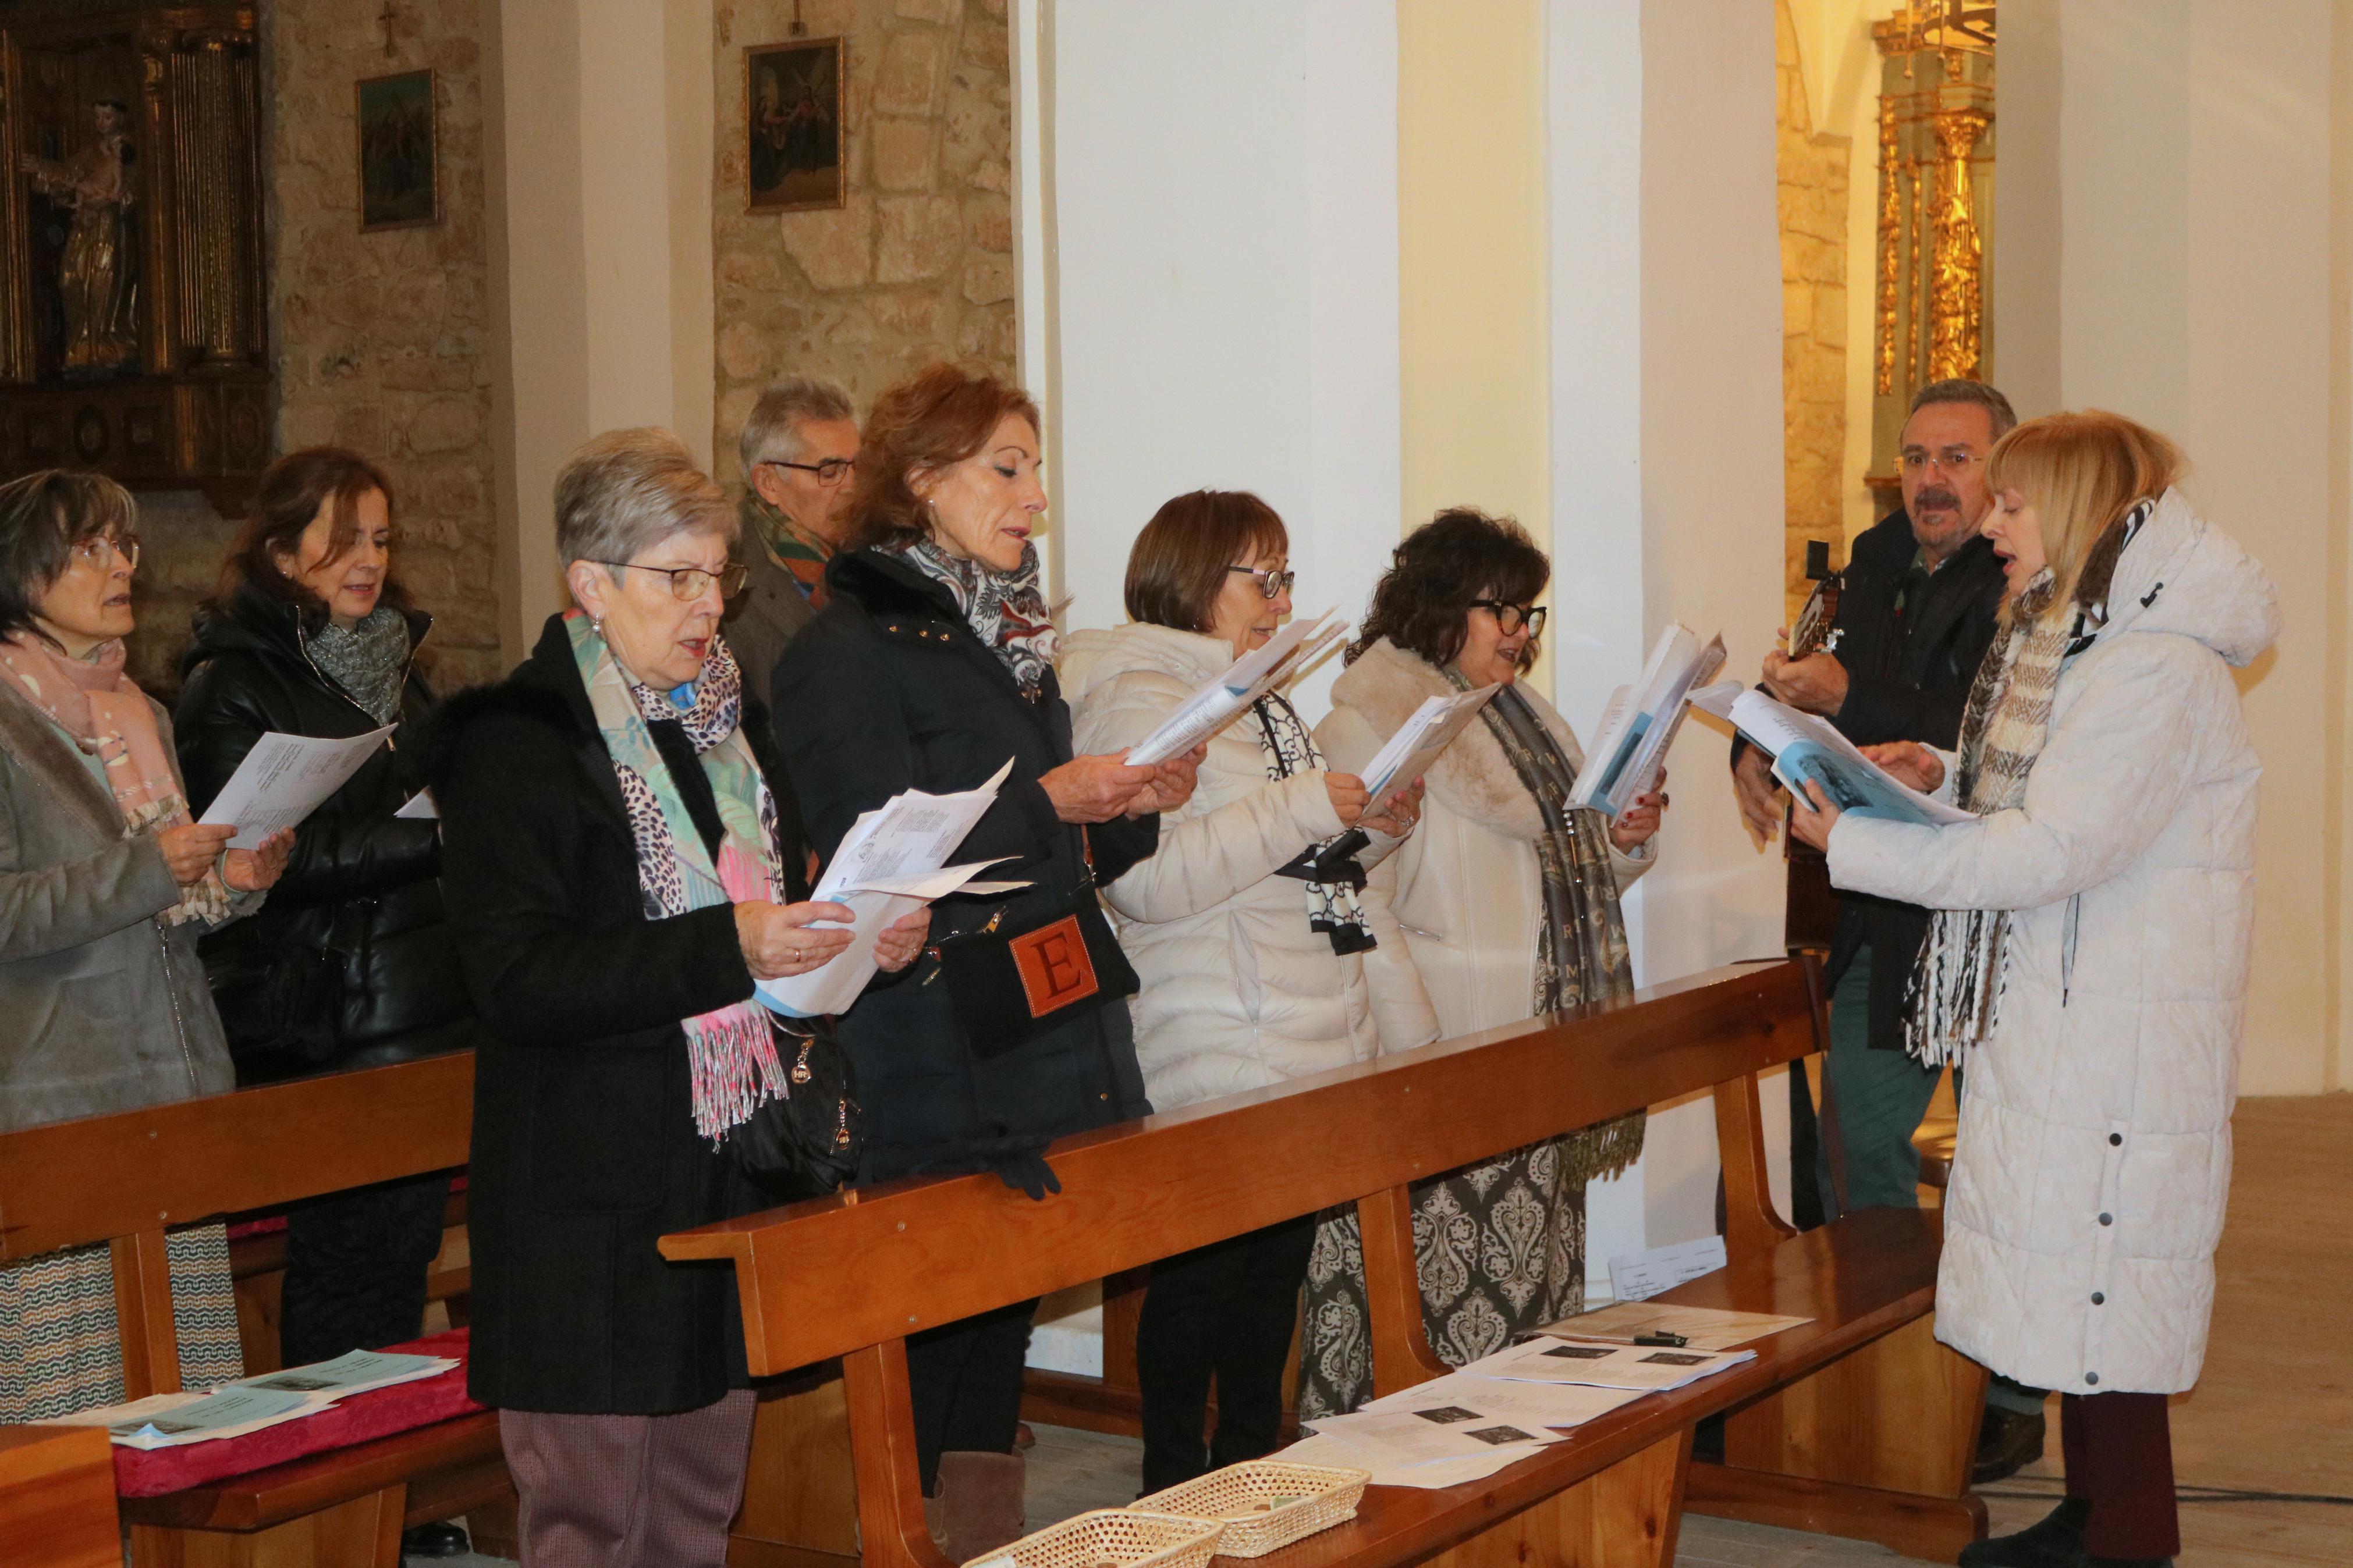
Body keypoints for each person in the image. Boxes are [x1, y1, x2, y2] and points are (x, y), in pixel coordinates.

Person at [423, 429, 927, 1568]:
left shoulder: (725, 734)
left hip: (725, 1162)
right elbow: (515, 982)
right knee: (595, 1524)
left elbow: (775, 918)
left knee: (697, 1510)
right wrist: (733, 944)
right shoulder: (516, 744)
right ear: (590, 584)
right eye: (676, 577)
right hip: (585, 1194)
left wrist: (856, 937)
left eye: (717, 577)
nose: (708, 605)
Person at [1790, 411, 2274, 1568]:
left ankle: (2122, 1536)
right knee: (2082, 1270)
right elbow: (2047, 795)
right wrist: (1936, 771)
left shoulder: (2148, 666)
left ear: (2067, 508)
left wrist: (1851, 843)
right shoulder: (2091, 637)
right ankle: (2103, 1511)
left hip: (2115, 1013)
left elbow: (2048, 849)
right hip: (2074, 994)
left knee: (2103, 1266)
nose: (1994, 525)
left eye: (2012, 504)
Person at [771, 362, 1196, 1559]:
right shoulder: (844, 650)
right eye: (1006, 469)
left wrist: (1127, 805)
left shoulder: (995, 640)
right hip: (926, 1043)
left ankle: (982, 1543)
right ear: (919, 481)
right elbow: (870, 852)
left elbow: (1047, 855)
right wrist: (1049, 799)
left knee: (997, 1315)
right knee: (934, 1317)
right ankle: (908, 1541)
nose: (1034, 498)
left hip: (1031, 1032)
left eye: (1034, 468)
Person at [1060, 489, 1438, 1492]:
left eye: (1284, 577)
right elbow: (1144, 882)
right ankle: (1175, 1487)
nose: (1276, 600)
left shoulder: (1255, 697)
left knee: (1270, 1278)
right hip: (1217, 1029)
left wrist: (1375, 822)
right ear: (1191, 578)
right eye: (1257, 578)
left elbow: (1294, 860)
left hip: (1296, 1025)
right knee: (1197, 1284)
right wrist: (1302, 803)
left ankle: (1251, 1479)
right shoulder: (1141, 694)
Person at [172, 449, 478, 1559]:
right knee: (347, 1272)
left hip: (428, 1005)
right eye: (344, 537)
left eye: (383, 539)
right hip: (327, 1016)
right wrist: (428, 831)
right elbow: (251, 860)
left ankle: (400, 1503)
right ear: (279, 547)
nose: (368, 560)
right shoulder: (234, 682)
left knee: (396, 1264)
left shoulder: (400, 666)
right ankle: (339, 1519)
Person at [1732, 379, 2040, 1479]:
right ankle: (1886, 1364)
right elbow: (1811, 705)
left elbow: (1981, 727)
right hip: (1882, 910)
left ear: (2002, 473)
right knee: (1856, 1142)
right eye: (1913, 458)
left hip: (2002, 911)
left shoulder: (2023, 576)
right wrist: (1757, 752)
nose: (1929, 480)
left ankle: (2002, 1391)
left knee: (2006, 1166)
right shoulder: (1863, 567)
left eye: (1954, 458)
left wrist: (1849, 691)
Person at [1297, 510, 1666, 1418]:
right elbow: (1354, 895)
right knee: (1429, 1282)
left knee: (1527, 1275)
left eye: (1527, 611)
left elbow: (1565, 868)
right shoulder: (1368, 721)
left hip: (1535, 1034)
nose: (1518, 631)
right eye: (1499, 607)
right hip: (1440, 1041)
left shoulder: (1526, 718)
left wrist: (1620, 839)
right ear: (1436, 606)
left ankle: (1520, 1453)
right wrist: (1412, 1038)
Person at [0, 471, 291, 1424]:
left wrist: (229, 884)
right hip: (53, 1097)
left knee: (179, 1398)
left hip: (168, 1081)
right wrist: (151, 868)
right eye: (91, 548)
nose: (121, 564)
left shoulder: (141, 711)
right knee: (69, 1411)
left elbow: (161, 905)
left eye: (123, 546)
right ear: (18, 569)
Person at [727, 376, 861, 708]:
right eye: (830, 472)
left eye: (857, 466)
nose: (852, 487)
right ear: (769, 483)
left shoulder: (873, 557)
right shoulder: (724, 580)